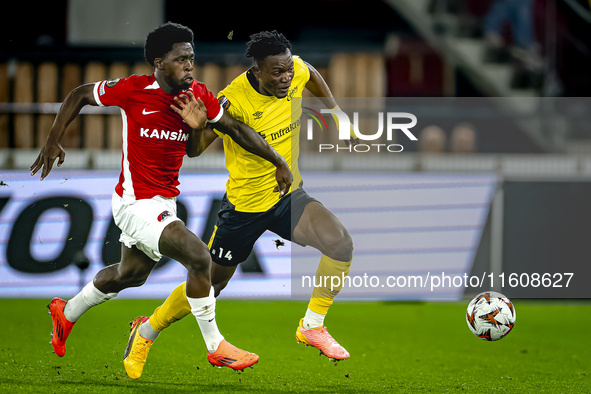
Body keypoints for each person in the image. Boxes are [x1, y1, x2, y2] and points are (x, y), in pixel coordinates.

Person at [30, 22, 292, 374]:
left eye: (191, 58)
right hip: (135, 202)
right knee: (200, 256)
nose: (189, 65)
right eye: (181, 59)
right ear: (159, 62)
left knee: (130, 274)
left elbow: (234, 129)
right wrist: (53, 139)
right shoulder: (132, 89)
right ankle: (216, 346)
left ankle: (67, 313)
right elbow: (79, 93)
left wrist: (275, 159)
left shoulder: (196, 95)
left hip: (164, 202)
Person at [123, 30, 355, 379]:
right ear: (257, 70)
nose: (286, 77)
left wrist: (335, 110)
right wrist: (197, 127)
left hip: (286, 195)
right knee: (211, 286)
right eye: (277, 72)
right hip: (244, 208)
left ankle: (312, 325)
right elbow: (195, 150)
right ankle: (146, 330)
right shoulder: (233, 99)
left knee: (340, 243)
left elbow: (311, 74)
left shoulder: (296, 71)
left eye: (288, 69)